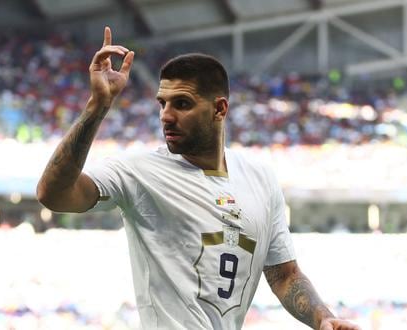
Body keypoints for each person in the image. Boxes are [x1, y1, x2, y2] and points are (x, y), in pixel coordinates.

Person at [37, 27, 360, 330]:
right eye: (162, 103)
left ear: (219, 109)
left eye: (182, 104)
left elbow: (285, 275)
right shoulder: (137, 172)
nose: (166, 115)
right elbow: (54, 194)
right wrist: (98, 105)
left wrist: (323, 318)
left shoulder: (260, 179)